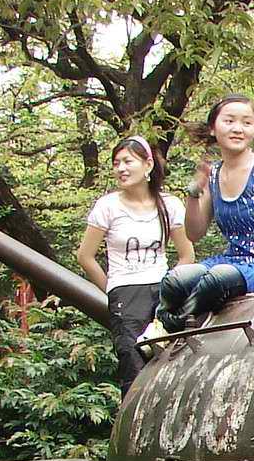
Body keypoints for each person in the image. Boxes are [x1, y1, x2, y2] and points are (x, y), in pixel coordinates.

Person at [156, 94, 254, 330]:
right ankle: (165, 323)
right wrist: (194, 192)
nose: (238, 129)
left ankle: (176, 324)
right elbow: (194, 233)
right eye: (229, 121)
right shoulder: (214, 173)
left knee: (217, 280)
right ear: (213, 128)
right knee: (175, 280)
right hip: (231, 260)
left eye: (247, 122)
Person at [76, 135, 194, 389]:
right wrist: (113, 289)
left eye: (128, 161)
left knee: (173, 363)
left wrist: (172, 288)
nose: (121, 168)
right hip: (126, 295)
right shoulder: (108, 206)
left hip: (163, 292)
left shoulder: (170, 205)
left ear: (148, 165)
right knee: (134, 367)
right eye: (116, 163)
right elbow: (85, 256)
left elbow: (187, 254)